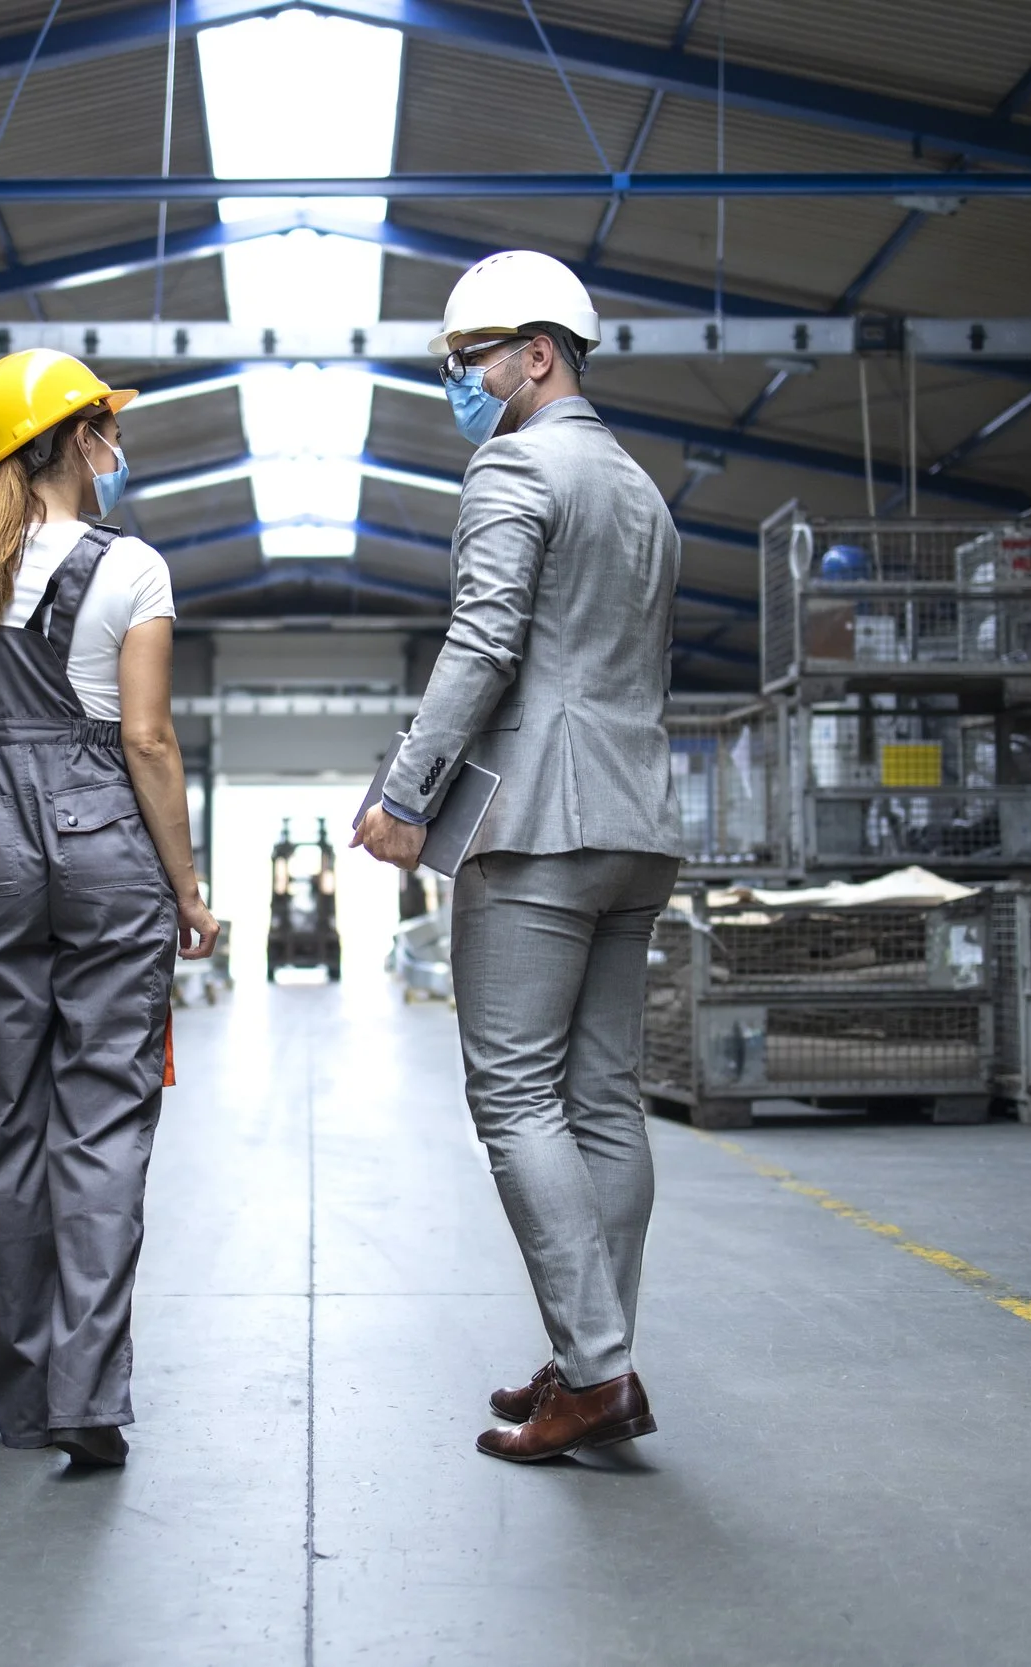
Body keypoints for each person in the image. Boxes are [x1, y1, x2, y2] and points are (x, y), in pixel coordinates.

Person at [350, 250, 683, 1463]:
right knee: (602, 1097)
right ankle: (598, 1355)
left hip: (538, 825)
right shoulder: (640, 490)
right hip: (637, 823)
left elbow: (481, 646)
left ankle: (595, 1369)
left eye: (470, 358)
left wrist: (403, 795)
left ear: (537, 353)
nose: (460, 382)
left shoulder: (511, 465)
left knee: (514, 1092)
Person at [0, 348, 220, 1469]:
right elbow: (145, 737)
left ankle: (21, 1399)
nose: (116, 447)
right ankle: (88, 1393)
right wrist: (186, 890)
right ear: (75, 441)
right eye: (105, 429)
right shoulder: (133, 567)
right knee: (99, 1117)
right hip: (105, 847)